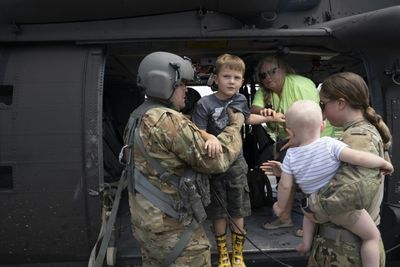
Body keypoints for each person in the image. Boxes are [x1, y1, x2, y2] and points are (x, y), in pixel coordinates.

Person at [123, 51, 246, 267]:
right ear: (164, 83)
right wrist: (235, 126)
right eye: (181, 84)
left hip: (148, 223)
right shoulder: (167, 120)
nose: (185, 90)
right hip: (174, 230)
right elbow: (218, 162)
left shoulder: (136, 116)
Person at [267, 72, 391, 266]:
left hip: (346, 250)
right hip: (339, 246)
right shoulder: (345, 137)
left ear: (341, 103)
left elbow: (353, 192)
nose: (322, 112)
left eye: (324, 104)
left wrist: (310, 208)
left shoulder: (359, 137)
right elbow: (330, 176)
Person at [191, 53, 285, 267]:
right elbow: (197, 130)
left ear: (242, 81)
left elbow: (247, 119)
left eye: (236, 77)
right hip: (215, 165)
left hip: (236, 164)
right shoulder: (204, 104)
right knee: (219, 210)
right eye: (226, 76)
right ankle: (224, 254)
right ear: (216, 79)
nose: (231, 81)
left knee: (239, 208)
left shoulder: (241, 100)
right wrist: (211, 137)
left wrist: (269, 117)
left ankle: (238, 254)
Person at [251, 55, 335, 231]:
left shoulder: (299, 84)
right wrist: (269, 113)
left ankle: (317, 223)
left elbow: (312, 117)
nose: (268, 77)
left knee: (312, 181)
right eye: (263, 75)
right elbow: (254, 110)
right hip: (291, 140)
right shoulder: (265, 91)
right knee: (283, 176)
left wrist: (300, 143)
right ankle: (285, 217)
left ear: (284, 70)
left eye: (273, 71)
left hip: (314, 138)